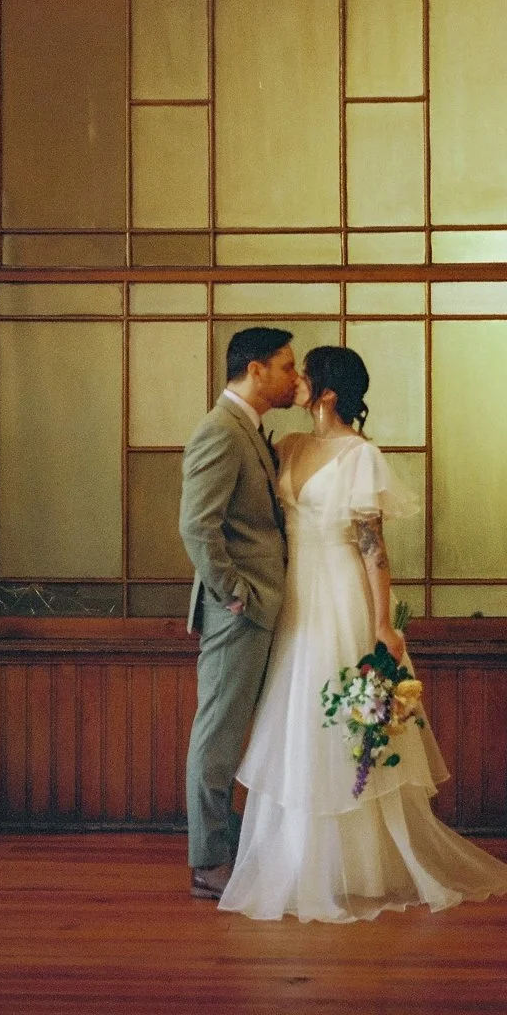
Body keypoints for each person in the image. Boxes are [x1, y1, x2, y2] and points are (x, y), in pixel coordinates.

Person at [217, 345, 507, 922]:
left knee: (342, 721)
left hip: (341, 595)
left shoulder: (360, 457)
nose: (297, 380)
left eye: (307, 374)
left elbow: (373, 548)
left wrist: (383, 623)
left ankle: (358, 864)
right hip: (293, 598)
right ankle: (299, 859)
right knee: (296, 719)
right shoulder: (288, 445)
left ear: (327, 393)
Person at [179, 327, 299, 900]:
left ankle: (227, 850)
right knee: (218, 736)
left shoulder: (247, 428)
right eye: (286, 367)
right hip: (240, 610)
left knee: (232, 734)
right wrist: (235, 596)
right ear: (255, 370)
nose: (295, 378)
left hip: (258, 607)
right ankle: (208, 862)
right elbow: (196, 526)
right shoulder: (220, 431)